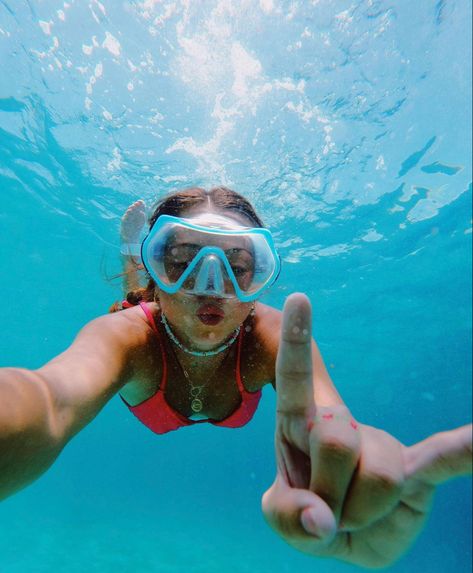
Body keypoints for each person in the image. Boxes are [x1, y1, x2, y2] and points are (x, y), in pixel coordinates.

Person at [0, 186, 471, 569]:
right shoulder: (126, 339)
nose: (212, 286)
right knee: (133, 299)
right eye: (181, 261)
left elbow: (329, 416)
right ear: (159, 265)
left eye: (239, 267)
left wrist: (349, 465)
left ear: (260, 277)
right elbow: (50, 398)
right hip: (146, 315)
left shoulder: (273, 337)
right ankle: (133, 259)